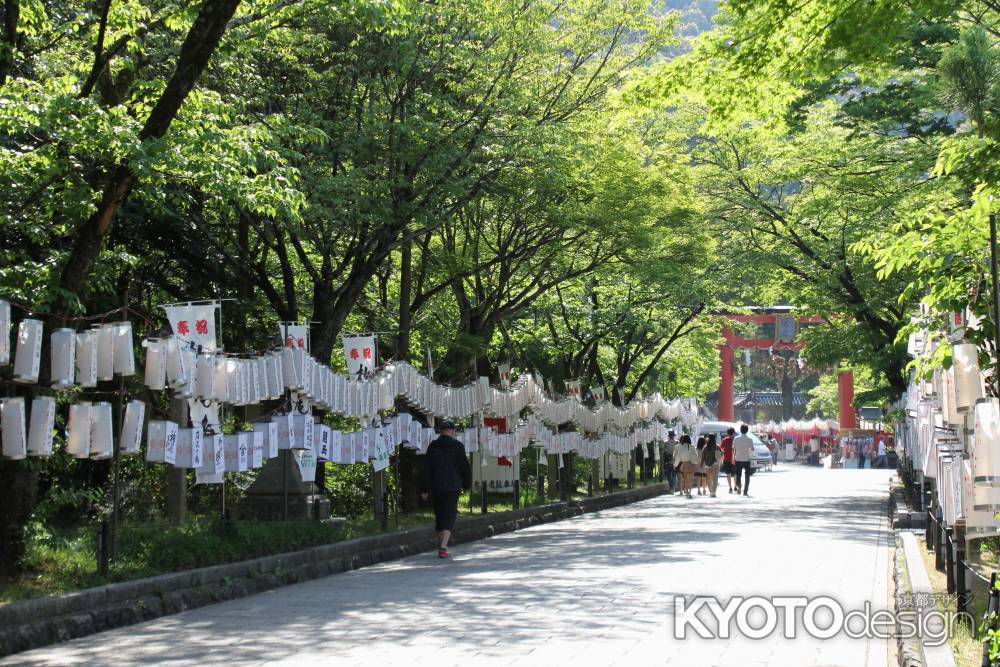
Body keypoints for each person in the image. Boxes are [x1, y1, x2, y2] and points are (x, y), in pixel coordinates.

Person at [421, 420, 472, 558]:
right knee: (449, 514)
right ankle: (443, 546)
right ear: (452, 431)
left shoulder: (433, 446)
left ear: (440, 431)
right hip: (452, 485)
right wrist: (467, 484)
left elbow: (426, 468)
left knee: (439, 514)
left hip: (436, 485)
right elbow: (464, 467)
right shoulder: (457, 446)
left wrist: (424, 488)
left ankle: (443, 545)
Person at [733, 424, 754, 497]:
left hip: (738, 458)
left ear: (740, 430)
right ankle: (745, 491)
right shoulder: (750, 440)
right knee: (747, 476)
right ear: (747, 430)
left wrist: (733, 457)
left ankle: (739, 485)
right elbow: (752, 449)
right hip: (747, 459)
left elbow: (733, 449)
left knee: (738, 474)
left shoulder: (736, 438)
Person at [674, 434, 697, 498]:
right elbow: (696, 454)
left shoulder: (681, 447)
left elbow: (678, 457)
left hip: (684, 464)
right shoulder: (692, 446)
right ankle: (689, 491)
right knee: (691, 479)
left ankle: (687, 492)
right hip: (691, 464)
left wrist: (675, 465)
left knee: (686, 479)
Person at [720, 427, 737, 494]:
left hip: (726, 459)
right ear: (733, 432)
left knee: (728, 474)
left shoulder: (725, 440)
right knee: (735, 473)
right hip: (734, 459)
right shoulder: (735, 440)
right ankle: (735, 486)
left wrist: (724, 451)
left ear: (727, 433)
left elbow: (721, 448)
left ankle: (730, 487)